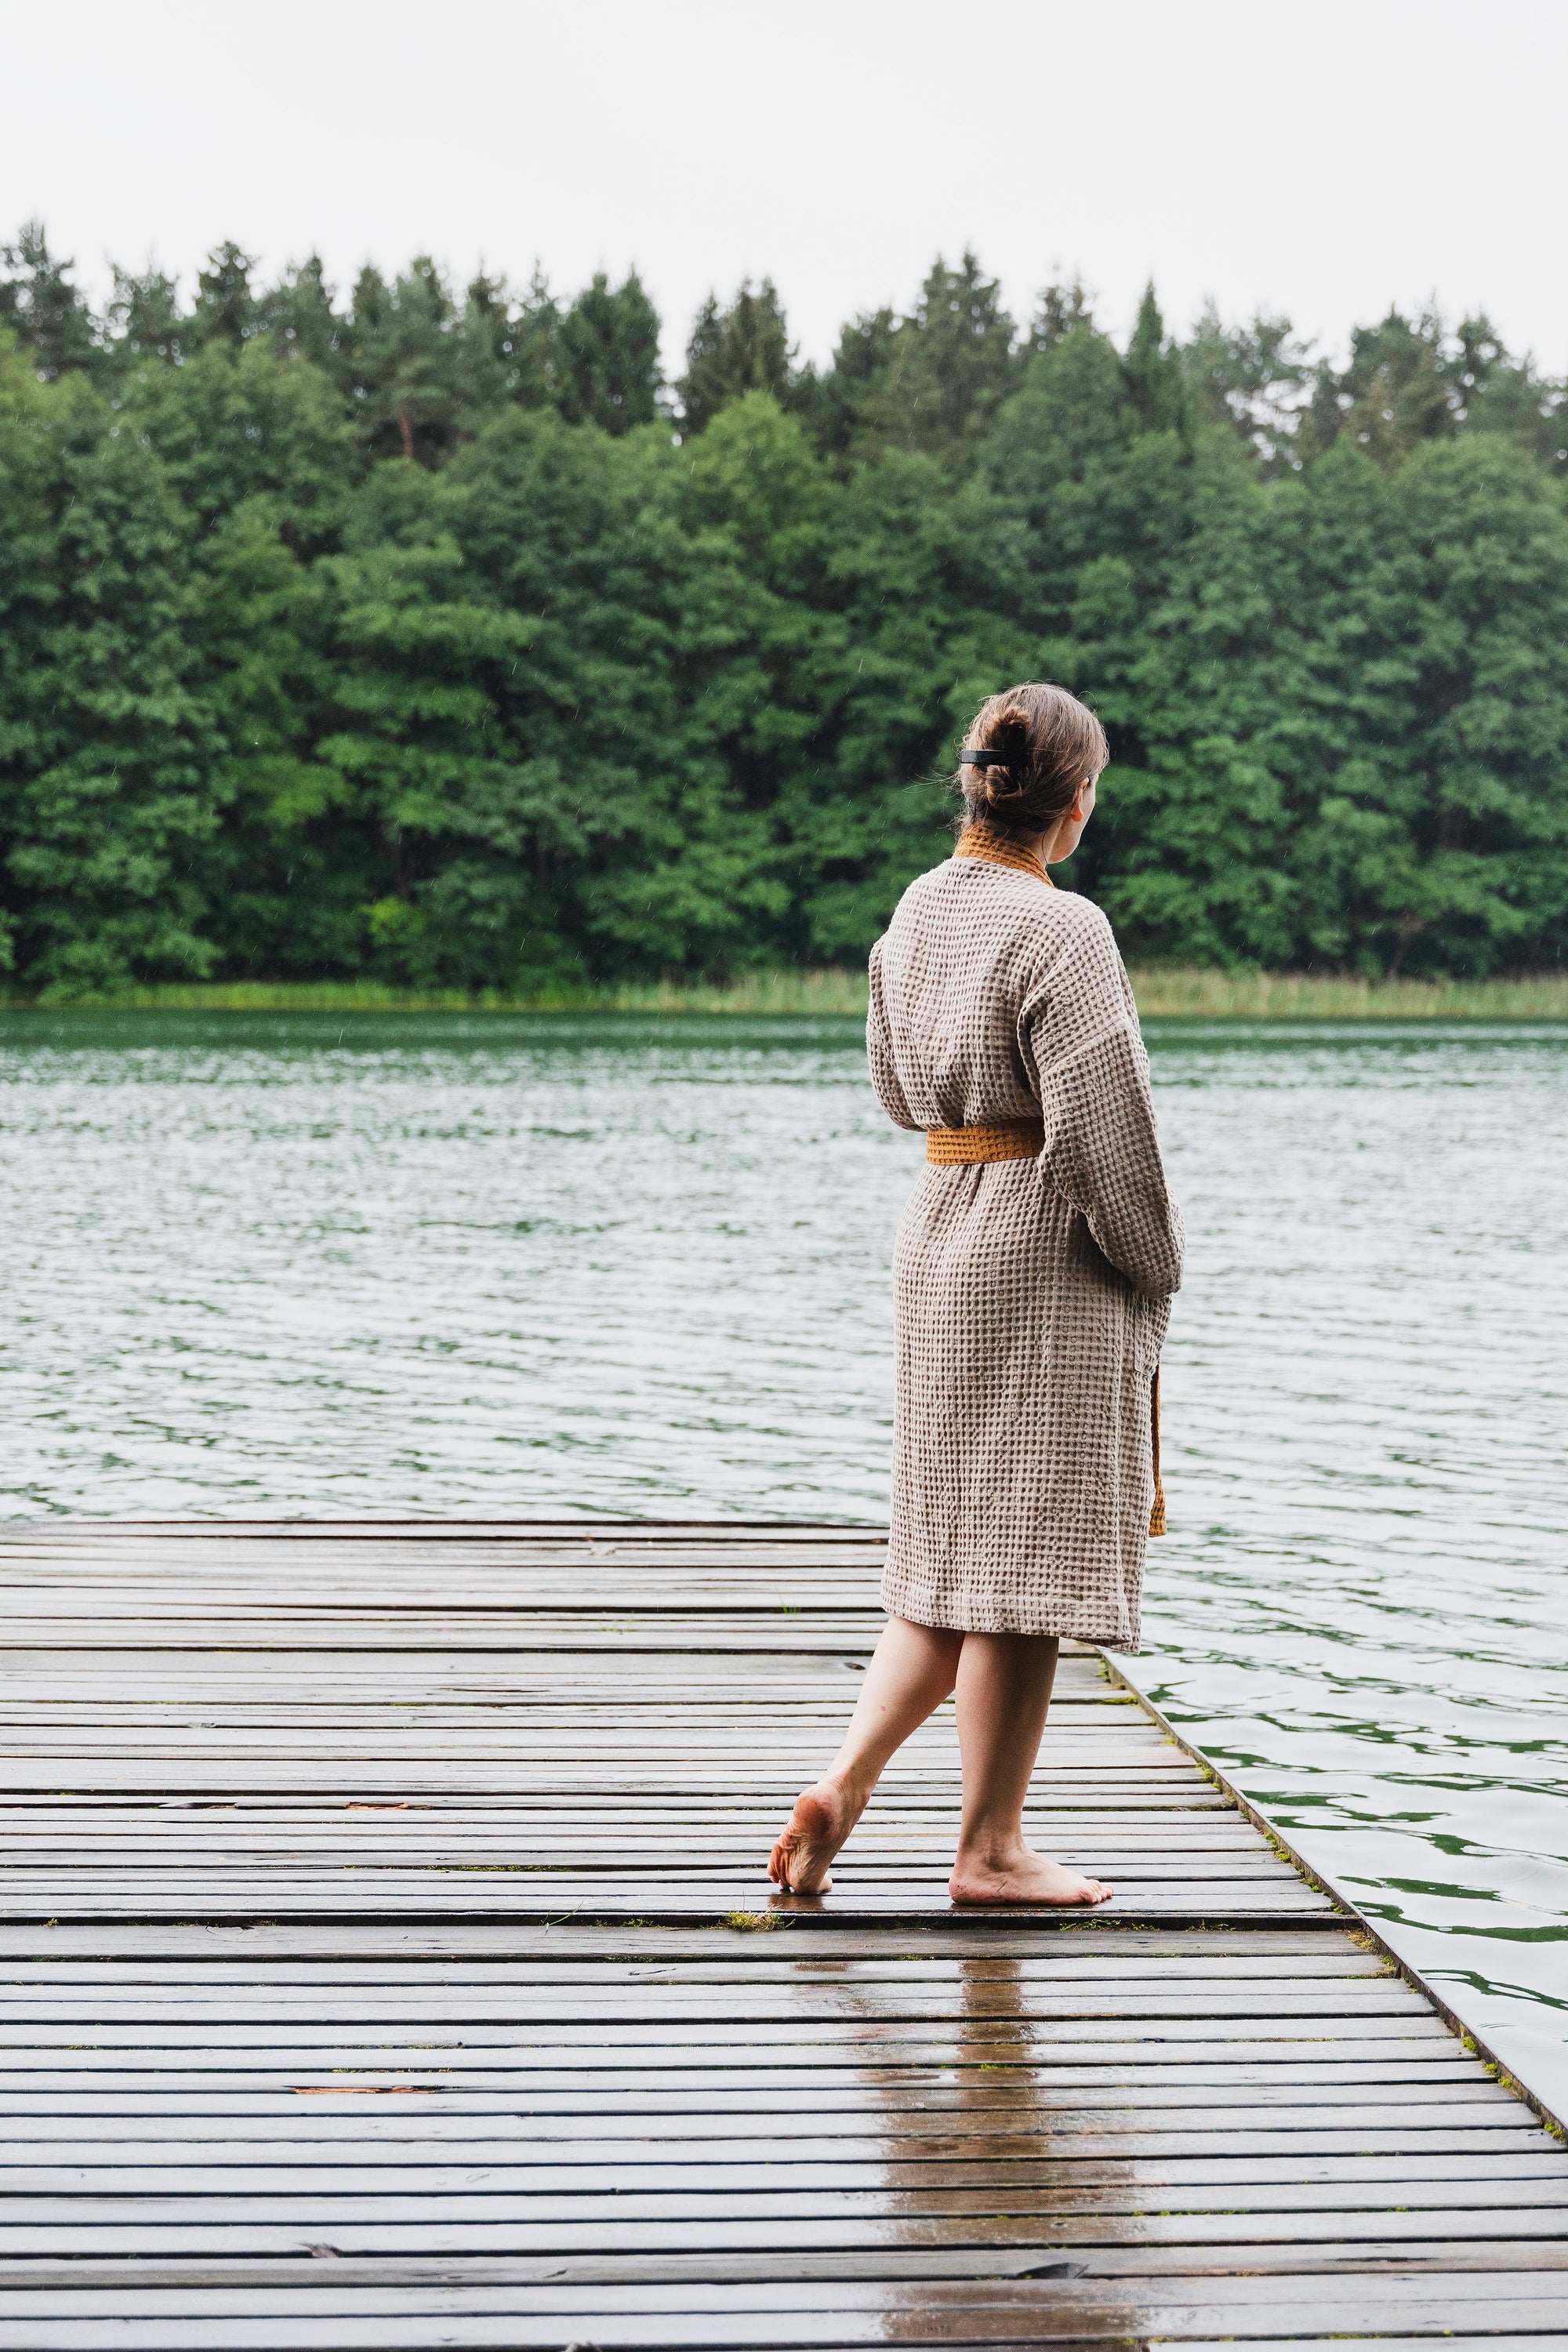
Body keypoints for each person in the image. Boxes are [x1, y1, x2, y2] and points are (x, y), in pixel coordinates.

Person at [769, 683, 1183, 1907]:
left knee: (942, 1559)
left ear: (977, 786)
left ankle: (845, 1780)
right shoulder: (1066, 931)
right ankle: (990, 1850)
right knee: (1022, 1573)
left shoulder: (917, 910)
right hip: (1040, 1255)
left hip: (939, 1229)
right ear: (1075, 804)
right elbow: (1106, 1135)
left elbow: (899, 1092)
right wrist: (1156, 1261)